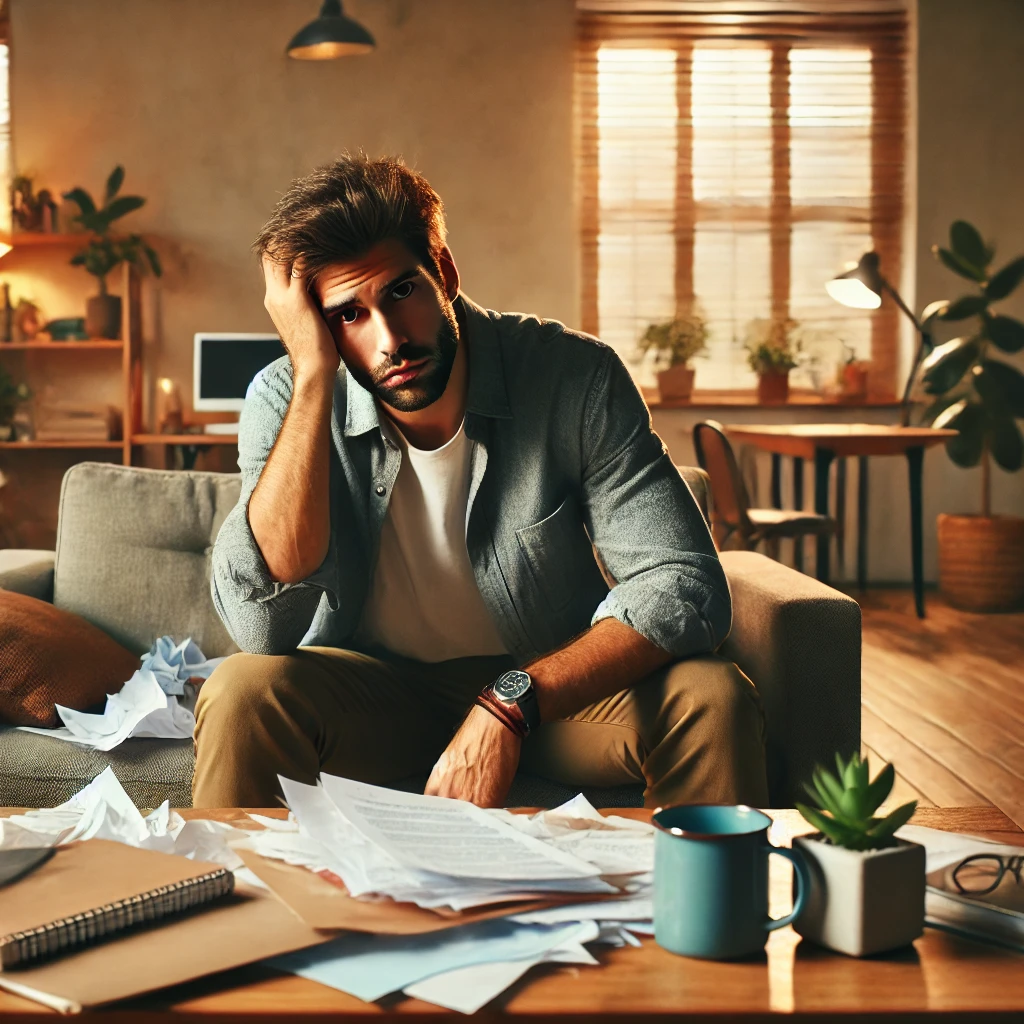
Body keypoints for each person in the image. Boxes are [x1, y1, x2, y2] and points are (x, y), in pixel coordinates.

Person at [192, 154, 768, 810]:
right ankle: (251, 912)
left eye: (402, 292)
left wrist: (510, 703)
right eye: (349, 315)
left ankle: (701, 910)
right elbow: (261, 627)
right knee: (242, 693)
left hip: (544, 690)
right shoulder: (287, 394)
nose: (390, 341)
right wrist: (314, 372)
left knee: (713, 697)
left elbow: (685, 583)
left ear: (443, 271)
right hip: (370, 693)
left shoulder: (575, 376)